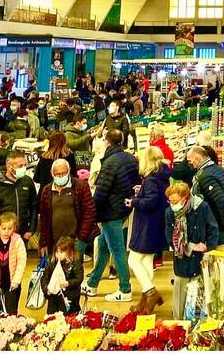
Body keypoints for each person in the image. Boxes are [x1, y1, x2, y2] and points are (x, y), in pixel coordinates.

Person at [82, 129, 140, 303]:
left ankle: (125, 288)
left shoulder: (109, 163)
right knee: (104, 245)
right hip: (123, 208)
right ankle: (92, 284)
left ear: (107, 142)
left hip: (110, 211)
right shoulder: (130, 158)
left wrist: (91, 210)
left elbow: (102, 191)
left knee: (117, 249)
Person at [164, 181, 219, 320]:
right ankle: (179, 325)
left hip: (200, 260)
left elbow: (213, 230)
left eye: (175, 201)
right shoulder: (169, 212)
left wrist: (209, 252)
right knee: (179, 300)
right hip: (182, 261)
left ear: (185, 197)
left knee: (200, 299)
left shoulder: (202, 208)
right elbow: (170, 237)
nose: (172, 204)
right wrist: (191, 246)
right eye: (170, 201)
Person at [127, 146, 171, 313]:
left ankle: (150, 292)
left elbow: (150, 202)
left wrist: (134, 201)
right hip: (157, 224)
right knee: (146, 261)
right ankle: (144, 302)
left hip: (147, 225)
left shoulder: (151, 178)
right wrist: (141, 193)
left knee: (133, 260)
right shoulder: (162, 176)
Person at [37, 158, 97, 258]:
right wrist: (43, 243)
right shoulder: (47, 190)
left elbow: (89, 212)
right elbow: (44, 219)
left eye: (63, 173)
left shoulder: (81, 186)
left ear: (69, 171)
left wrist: (81, 237)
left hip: (76, 240)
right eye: (57, 174)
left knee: (75, 271)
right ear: (52, 174)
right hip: (53, 242)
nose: (60, 176)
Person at [187, 145, 224, 245]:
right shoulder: (218, 170)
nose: (190, 165)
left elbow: (222, 201)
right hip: (219, 225)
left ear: (198, 159)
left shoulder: (205, 177)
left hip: (214, 227)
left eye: (190, 161)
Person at [41, 235, 83, 314]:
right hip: (53, 297)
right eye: (57, 252)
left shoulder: (75, 263)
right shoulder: (51, 261)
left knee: (68, 317)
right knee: (52, 317)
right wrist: (46, 289)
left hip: (70, 296)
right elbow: (45, 277)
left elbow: (79, 278)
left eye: (61, 252)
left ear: (69, 252)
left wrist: (68, 283)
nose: (58, 254)